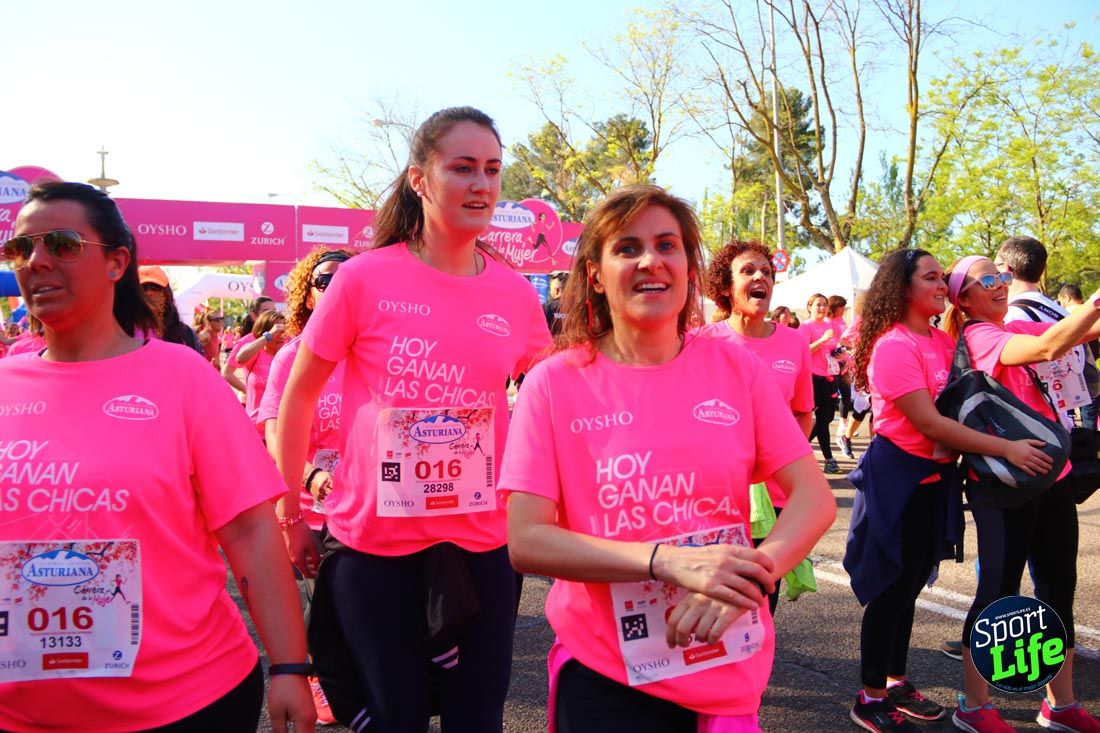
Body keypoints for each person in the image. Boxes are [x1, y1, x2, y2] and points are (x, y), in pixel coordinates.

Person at [502, 185, 836, 733]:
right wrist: (665, 561)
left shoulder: (738, 370)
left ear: (688, 267)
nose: (650, 261)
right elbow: (527, 540)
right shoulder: (553, 384)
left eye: (666, 245)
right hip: (606, 673)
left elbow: (814, 499)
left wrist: (750, 579)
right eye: (627, 248)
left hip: (726, 656)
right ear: (595, 275)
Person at [274, 106, 552, 732]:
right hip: (375, 545)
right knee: (393, 719)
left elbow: (550, 397)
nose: (481, 184)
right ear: (420, 179)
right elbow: (297, 397)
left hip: (481, 543)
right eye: (462, 168)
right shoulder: (363, 279)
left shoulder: (514, 292)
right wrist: (289, 515)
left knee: (477, 721)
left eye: (492, 170)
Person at [0, 181, 314, 733]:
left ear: (117, 262)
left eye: (63, 244)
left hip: (187, 702)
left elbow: (249, 530)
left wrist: (290, 665)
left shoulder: (181, 377)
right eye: (20, 248)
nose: (37, 261)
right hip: (21, 713)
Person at [843, 248, 1057, 733]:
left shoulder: (942, 340)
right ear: (902, 289)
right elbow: (930, 423)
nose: (941, 286)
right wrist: (1007, 448)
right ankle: (869, 696)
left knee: (913, 582)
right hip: (899, 477)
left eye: (943, 277)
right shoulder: (894, 345)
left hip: (937, 479)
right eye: (930, 278)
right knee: (892, 587)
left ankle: (895, 682)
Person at [943, 255, 1100, 733]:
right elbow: (1050, 345)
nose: (1000, 284)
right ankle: (974, 707)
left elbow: (1074, 335)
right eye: (987, 280)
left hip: (1052, 476)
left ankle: (1060, 705)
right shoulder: (979, 335)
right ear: (963, 298)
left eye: (1002, 277)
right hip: (1002, 484)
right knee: (998, 593)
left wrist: (1091, 315)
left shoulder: (1010, 325)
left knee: (1058, 587)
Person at [258, 246, 354, 726]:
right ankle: (320, 677)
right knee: (323, 606)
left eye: (345, 278)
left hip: (371, 513)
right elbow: (276, 433)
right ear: (308, 295)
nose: (334, 287)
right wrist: (302, 490)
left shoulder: (377, 351)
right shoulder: (292, 356)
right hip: (315, 513)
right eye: (323, 280)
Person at [701, 238, 815, 613]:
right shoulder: (702, 343)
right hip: (719, 490)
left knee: (763, 592)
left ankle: (758, 652)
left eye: (766, 271)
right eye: (748, 271)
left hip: (776, 489)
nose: (760, 277)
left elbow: (803, 412)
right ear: (725, 286)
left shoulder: (795, 343)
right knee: (717, 591)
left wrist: (783, 464)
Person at [994, 236, 1089, 430]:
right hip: (1064, 422)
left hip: (1033, 426)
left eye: (995, 267)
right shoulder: (1061, 313)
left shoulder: (1011, 316)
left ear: (1006, 269)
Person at [799, 293, 842, 473]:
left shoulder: (829, 325)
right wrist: (822, 340)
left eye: (824, 304)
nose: (822, 308)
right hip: (814, 377)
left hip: (830, 375)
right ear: (809, 307)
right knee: (823, 418)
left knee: (829, 417)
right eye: (818, 304)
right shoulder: (805, 327)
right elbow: (802, 351)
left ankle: (799, 448)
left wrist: (839, 353)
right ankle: (829, 459)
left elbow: (832, 349)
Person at [236, 308, 287, 432]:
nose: (281, 336)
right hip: (255, 428)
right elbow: (240, 358)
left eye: (283, 331)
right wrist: (268, 336)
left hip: (280, 429)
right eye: (277, 331)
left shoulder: (288, 355)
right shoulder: (256, 353)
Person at [138, 265, 202, 353]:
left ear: (166, 295)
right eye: (143, 289)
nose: (149, 293)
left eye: (155, 288)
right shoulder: (124, 333)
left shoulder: (184, 334)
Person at [223, 295, 275, 394]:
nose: (271, 315)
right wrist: (247, 391)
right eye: (266, 311)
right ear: (254, 315)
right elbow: (227, 373)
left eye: (274, 311)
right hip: (256, 403)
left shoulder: (284, 338)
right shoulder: (246, 341)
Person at [544, 271, 568, 336]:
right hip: (575, 341)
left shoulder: (546, 308)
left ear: (557, 291)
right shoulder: (579, 308)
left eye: (550, 289)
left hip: (551, 341)